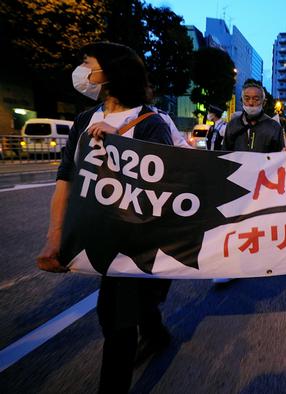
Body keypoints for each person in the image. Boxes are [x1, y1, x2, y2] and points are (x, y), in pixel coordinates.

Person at [36, 42, 173, 393]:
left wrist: (124, 147)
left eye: (87, 63)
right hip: (98, 234)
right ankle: (156, 333)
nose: (82, 70)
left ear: (110, 72)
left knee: (115, 319)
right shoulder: (84, 120)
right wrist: (55, 238)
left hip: (134, 241)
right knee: (133, 309)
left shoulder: (151, 123)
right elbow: (65, 181)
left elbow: (166, 185)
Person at [213, 80, 285, 284]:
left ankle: (260, 260)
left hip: (263, 185)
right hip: (235, 183)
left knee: (258, 224)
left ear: (263, 100)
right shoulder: (233, 125)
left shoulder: (274, 127)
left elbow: (280, 158)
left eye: (256, 99)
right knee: (233, 225)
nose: (251, 103)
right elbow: (224, 153)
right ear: (242, 99)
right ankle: (230, 267)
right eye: (247, 99)